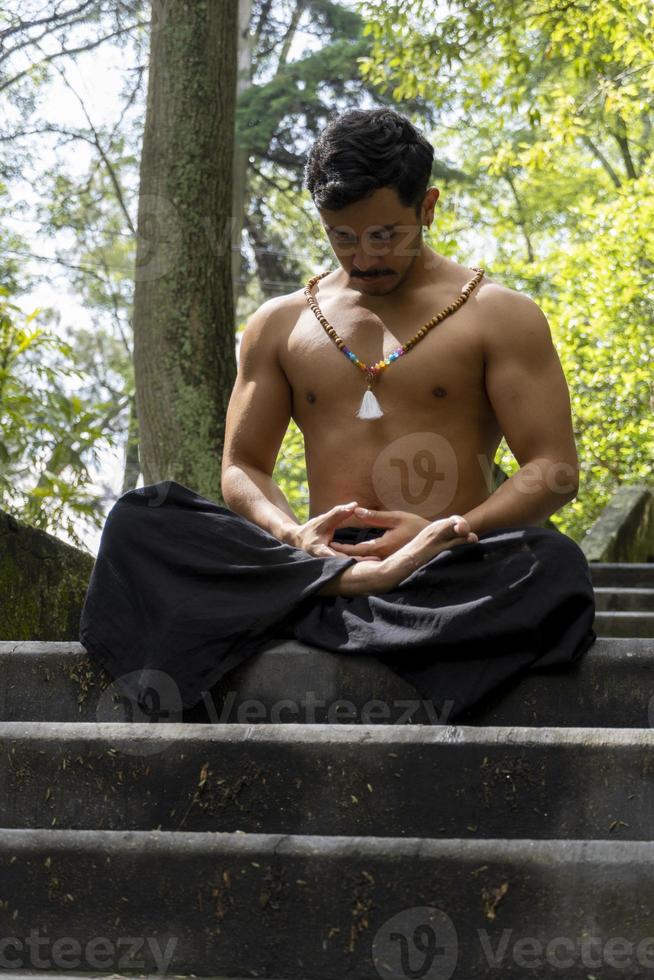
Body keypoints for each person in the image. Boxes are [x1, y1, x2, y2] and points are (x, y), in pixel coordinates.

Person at [79, 107, 596, 724]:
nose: (365, 258)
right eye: (342, 237)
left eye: (385, 235)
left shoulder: (497, 314)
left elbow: (552, 466)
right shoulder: (281, 321)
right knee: (141, 520)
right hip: (314, 562)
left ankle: (321, 602)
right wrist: (296, 539)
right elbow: (243, 467)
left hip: (447, 565)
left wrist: (441, 534)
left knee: (552, 566)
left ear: (426, 207)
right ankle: (337, 590)